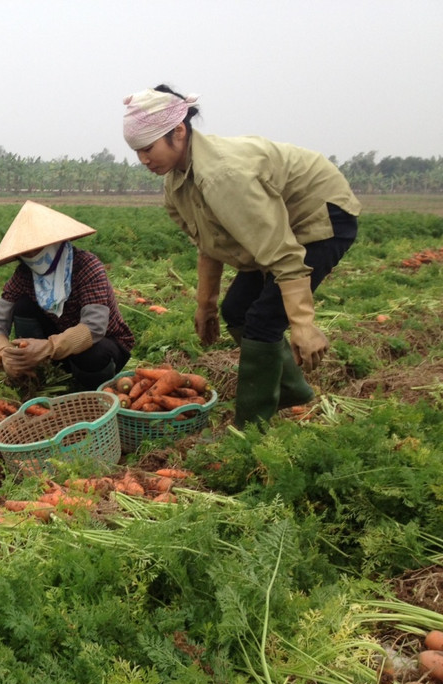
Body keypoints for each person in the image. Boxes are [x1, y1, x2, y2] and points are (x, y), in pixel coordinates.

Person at [122, 84, 361, 427]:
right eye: (137, 151)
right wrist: (205, 305)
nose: (144, 159)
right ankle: (290, 390)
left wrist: (303, 324)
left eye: (148, 148)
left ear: (179, 132)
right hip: (273, 227)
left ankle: (251, 427)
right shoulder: (177, 183)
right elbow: (210, 243)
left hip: (320, 215)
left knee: (263, 320)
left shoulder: (223, 176)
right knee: (236, 310)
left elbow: (282, 251)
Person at [0, 200, 135, 391]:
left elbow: (94, 327)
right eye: (26, 252)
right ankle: (36, 373)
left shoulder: (86, 266)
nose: (32, 255)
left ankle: (92, 388)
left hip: (104, 344)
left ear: (54, 241)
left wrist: (48, 348)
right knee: (22, 305)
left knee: (91, 355)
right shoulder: (24, 274)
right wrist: (3, 353)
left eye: (38, 247)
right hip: (55, 348)